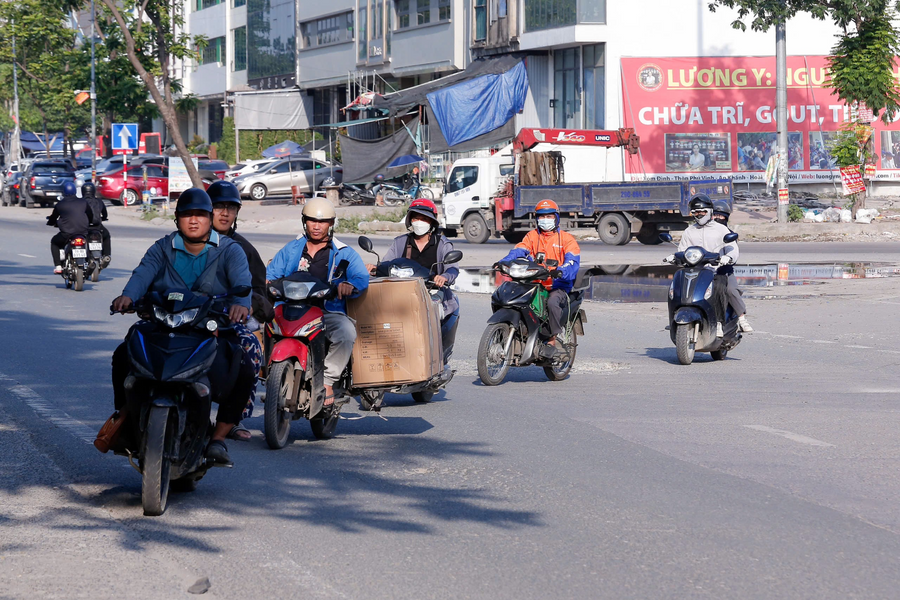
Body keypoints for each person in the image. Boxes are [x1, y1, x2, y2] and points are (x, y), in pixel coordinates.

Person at [110, 188, 254, 466]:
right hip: (163, 324)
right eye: (187, 214)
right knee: (123, 354)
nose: (194, 220)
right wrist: (127, 296)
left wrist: (241, 305)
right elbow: (143, 274)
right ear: (177, 219)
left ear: (210, 218)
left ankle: (218, 438)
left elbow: (242, 283)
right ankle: (126, 415)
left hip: (209, 328)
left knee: (244, 368)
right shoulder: (162, 248)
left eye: (200, 214)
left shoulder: (229, 250)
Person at [266, 198, 369, 404]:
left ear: (331, 223)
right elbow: (271, 274)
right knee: (262, 326)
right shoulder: (291, 249)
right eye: (312, 220)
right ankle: (265, 372)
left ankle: (328, 380)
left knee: (346, 332)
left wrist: (348, 285)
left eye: (322, 222)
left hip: (326, 312)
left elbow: (361, 277)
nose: (316, 226)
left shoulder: (343, 253)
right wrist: (266, 283)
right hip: (290, 309)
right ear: (304, 221)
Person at [207, 180, 270, 441]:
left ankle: (232, 419)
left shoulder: (245, 249)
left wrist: (248, 304)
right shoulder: (188, 241)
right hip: (188, 316)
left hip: (227, 322)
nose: (224, 213)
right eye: (218, 207)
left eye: (230, 208)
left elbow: (263, 296)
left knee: (250, 349)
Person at [366, 198, 459, 363]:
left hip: (432, 292)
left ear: (431, 222)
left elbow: (452, 268)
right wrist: (375, 268)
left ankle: (436, 355)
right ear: (410, 220)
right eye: (416, 218)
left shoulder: (442, 244)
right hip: (401, 293)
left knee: (435, 314)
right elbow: (386, 263)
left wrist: (444, 277)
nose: (419, 222)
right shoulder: (400, 242)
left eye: (424, 219)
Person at [498, 199, 581, 354]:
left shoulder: (567, 239)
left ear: (556, 218)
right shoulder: (532, 236)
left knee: (552, 303)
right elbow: (519, 250)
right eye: (542, 216)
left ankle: (552, 339)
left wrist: (561, 271)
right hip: (534, 282)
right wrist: (504, 262)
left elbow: (572, 261)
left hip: (557, 284)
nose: (545, 220)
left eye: (549, 216)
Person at [665, 194, 740, 338]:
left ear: (710, 211)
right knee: (676, 288)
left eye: (702, 212)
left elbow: (732, 248)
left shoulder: (721, 229)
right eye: (696, 212)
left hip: (714, 271)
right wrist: (674, 256)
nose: (699, 215)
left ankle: (719, 322)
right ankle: (673, 318)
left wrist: (728, 257)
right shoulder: (689, 231)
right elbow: (682, 250)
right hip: (693, 270)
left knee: (719, 288)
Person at [712, 199, 753, 333]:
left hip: (723, 271)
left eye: (721, 215)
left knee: (730, 290)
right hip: (704, 270)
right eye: (715, 215)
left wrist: (728, 258)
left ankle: (741, 318)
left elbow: (733, 252)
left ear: (726, 217)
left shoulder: (728, 234)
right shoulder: (704, 231)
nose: (717, 218)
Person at [47, 181, 94, 274]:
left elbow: (53, 218)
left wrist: (51, 222)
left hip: (67, 233)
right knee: (87, 243)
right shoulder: (83, 202)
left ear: (64, 192)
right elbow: (90, 215)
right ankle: (89, 261)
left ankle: (58, 266)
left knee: (54, 242)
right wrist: (89, 222)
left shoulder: (60, 204)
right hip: (82, 231)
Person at [81, 182, 111, 266]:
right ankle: (106, 255)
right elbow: (105, 214)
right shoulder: (99, 201)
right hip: (97, 227)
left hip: (83, 227)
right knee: (106, 236)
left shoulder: (80, 202)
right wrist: (103, 218)